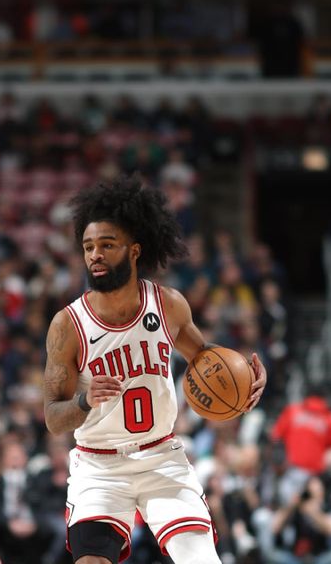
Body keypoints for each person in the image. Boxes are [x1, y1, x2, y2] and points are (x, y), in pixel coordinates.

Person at [43, 178, 267, 564]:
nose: (95, 255)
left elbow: (207, 361)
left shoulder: (168, 306)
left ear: (134, 251)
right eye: (88, 247)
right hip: (99, 466)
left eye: (106, 245)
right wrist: (84, 400)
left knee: (201, 559)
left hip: (161, 456)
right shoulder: (68, 326)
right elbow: (52, 417)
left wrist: (244, 379)